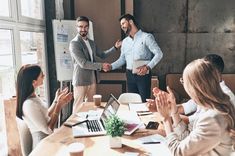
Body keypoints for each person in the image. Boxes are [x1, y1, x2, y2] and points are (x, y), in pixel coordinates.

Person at [154, 59, 235, 155]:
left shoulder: (213, 118)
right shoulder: (210, 105)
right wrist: (173, 110)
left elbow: (178, 152)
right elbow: (186, 137)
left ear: (196, 86)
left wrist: (166, 119)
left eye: (184, 81)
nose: (184, 85)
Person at [69, 16, 121, 113]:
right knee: (78, 107)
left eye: (85, 27)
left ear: (88, 27)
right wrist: (101, 66)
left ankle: (89, 126)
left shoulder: (91, 43)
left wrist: (115, 48)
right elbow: (83, 63)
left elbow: (102, 55)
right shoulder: (74, 43)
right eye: (80, 27)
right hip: (80, 80)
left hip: (92, 79)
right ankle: (74, 126)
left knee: (91, 106)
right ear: (77, 27)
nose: (83, 29)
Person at [106, 14, 163, 102]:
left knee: (144, 103)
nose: (122, 26)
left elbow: (159, 54)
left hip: (143, 76)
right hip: (129, 75)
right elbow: (122, 59)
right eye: (121, 25)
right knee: (132, 103)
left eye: (123, 23)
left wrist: (147, 67)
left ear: (131, 22)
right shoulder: (125, 42)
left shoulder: (146, 37)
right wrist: (111, 66)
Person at [16, 64, 73, 149]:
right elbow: (48, 130)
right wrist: (58, 106)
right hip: (42, 146)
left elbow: (46, 115)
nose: (44, 76)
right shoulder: (29, 105)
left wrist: (56, 100)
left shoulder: (34, 97)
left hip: (47, 141)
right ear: (33, 82)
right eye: (41, 75)